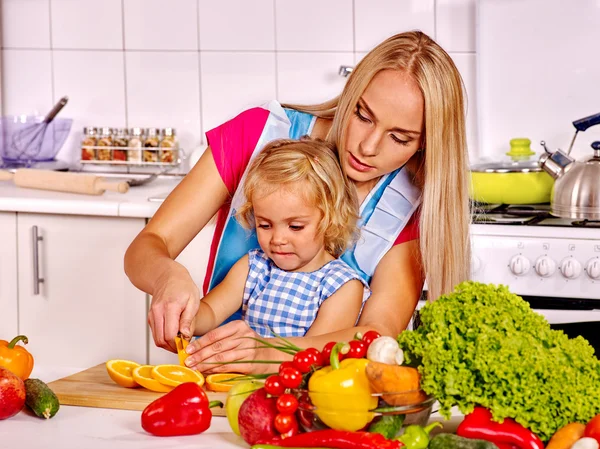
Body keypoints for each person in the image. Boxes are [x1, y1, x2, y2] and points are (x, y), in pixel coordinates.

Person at [124, 30, 471, 374]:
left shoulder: (408, 204)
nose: (368, 146)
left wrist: (267, 354)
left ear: (425, 144)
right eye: (363, 116)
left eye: (399, 137)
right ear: (350, 94)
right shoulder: (260, 134)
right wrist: (168, 277)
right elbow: (148, 246)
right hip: (216, 378)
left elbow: (378, 335)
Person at [191, 137, 369, 339]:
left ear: (330, 219)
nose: (277, 239)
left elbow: (313, 355)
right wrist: (187, 316)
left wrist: (260, 353)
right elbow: (211, 312)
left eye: (295, 226)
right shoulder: (254, 267)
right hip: (242, 371)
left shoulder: (341, 286)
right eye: (265, 225)